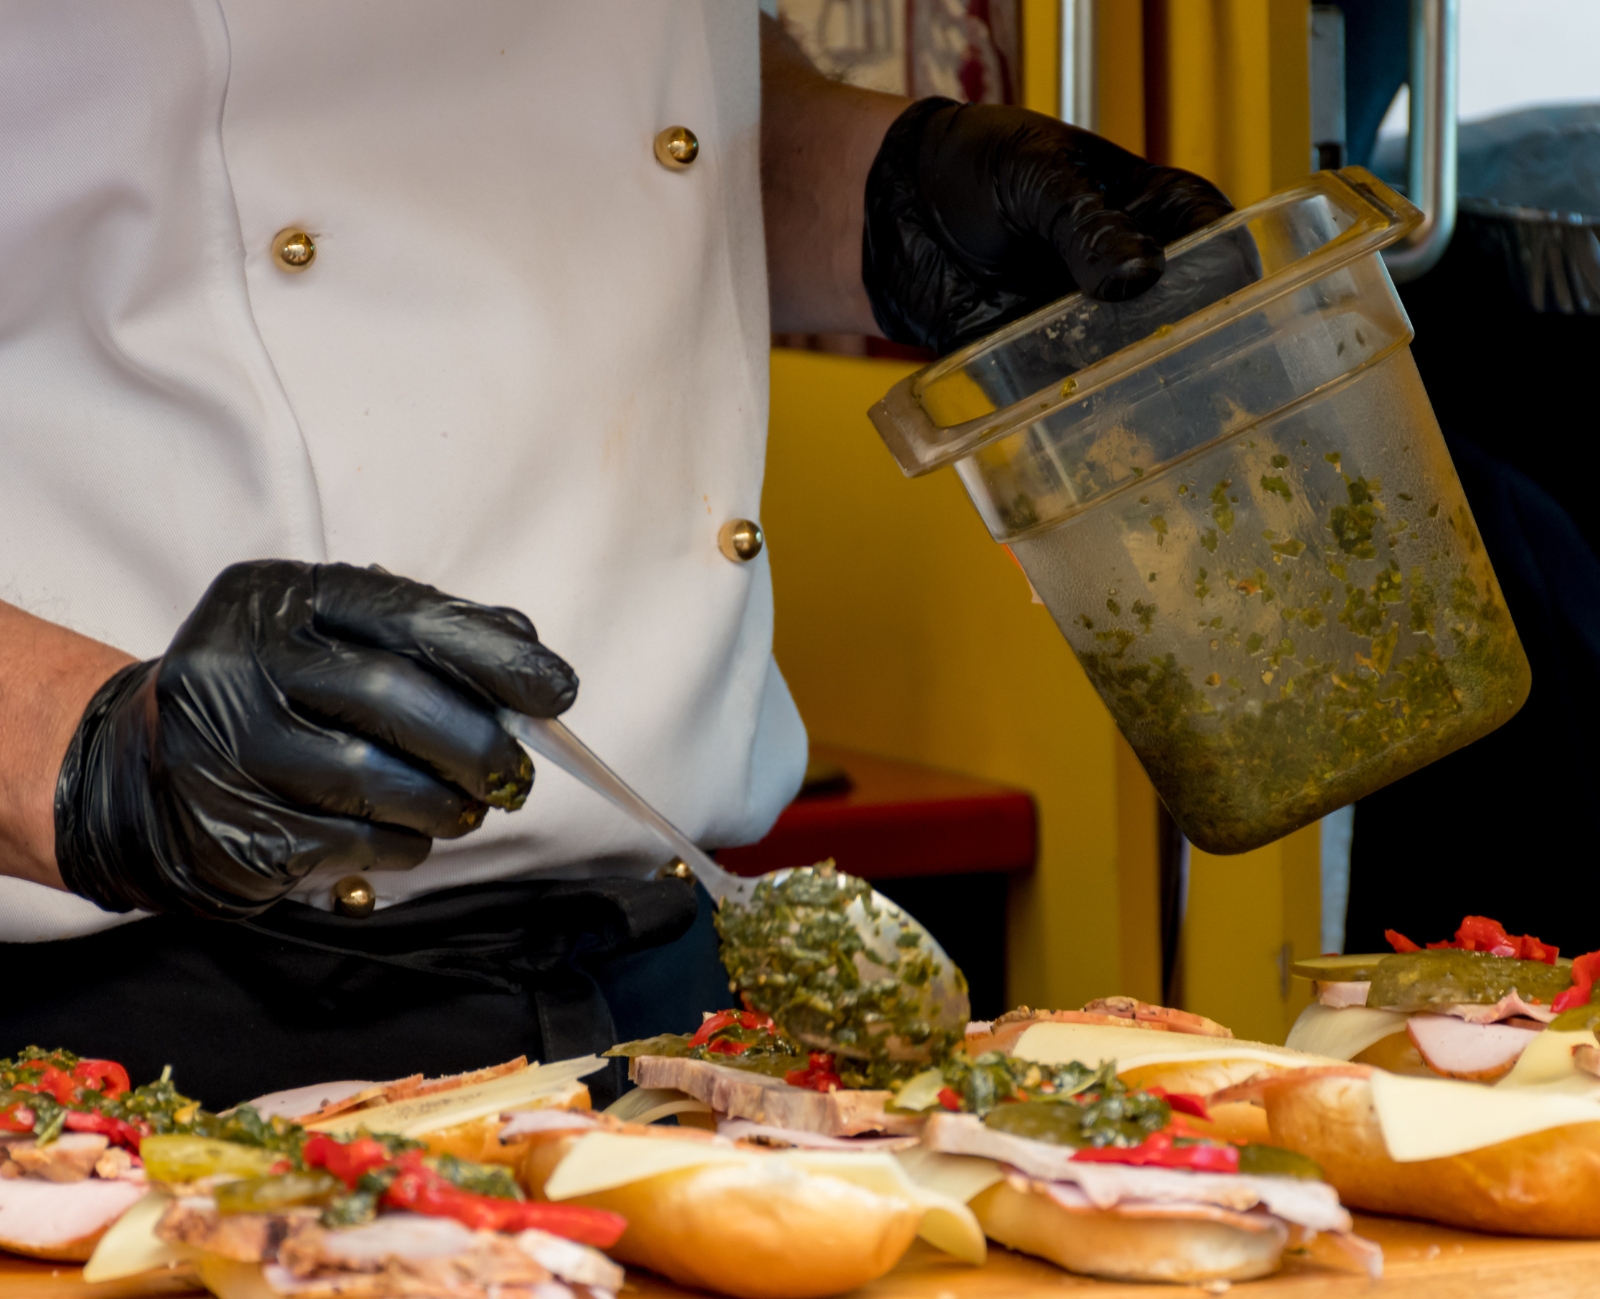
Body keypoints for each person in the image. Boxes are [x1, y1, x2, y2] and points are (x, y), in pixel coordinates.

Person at [0, 3, 1227, 1106]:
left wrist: (875, 183)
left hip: (670, 1005)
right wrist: (87, 752)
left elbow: (637, 117)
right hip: (123, 1043)